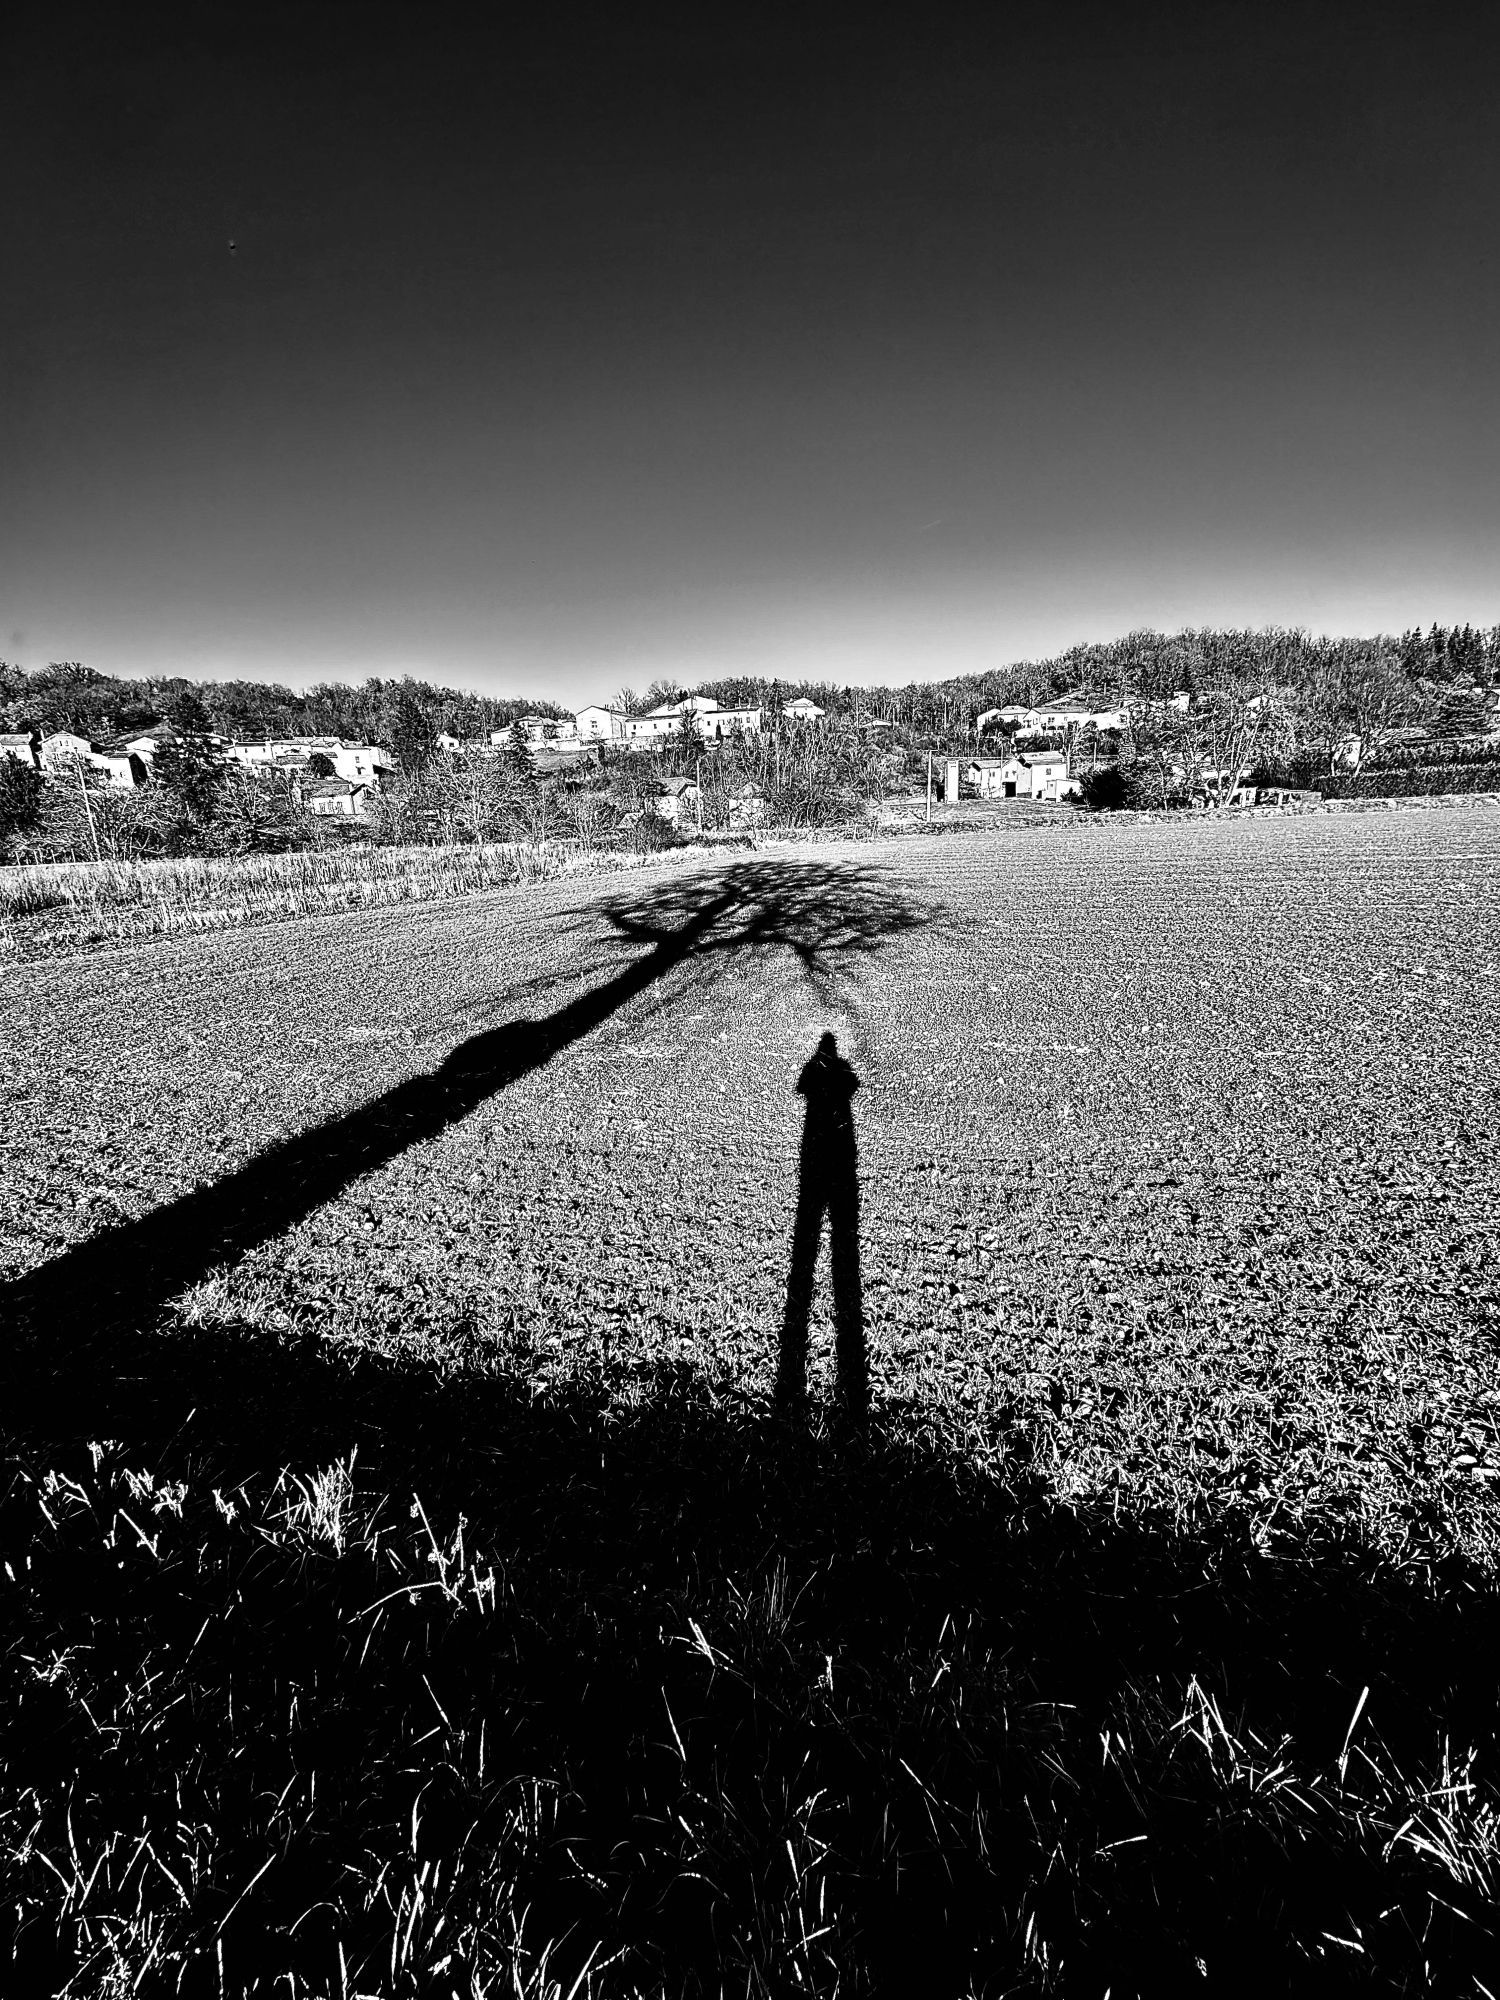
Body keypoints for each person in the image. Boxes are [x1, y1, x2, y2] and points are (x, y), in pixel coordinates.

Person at [776, 1031, 867, 1424]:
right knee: (841, 1230)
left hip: (815, 1148)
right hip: (840, 1150)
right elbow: (853, 1086)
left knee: (809, 1222)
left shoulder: (813, 1073)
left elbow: (801, 1089)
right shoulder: (843, 1073)